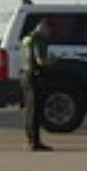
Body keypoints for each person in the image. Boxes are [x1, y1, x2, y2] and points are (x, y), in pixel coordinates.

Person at [21, 19, 54, 152]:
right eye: (49, 31)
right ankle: (35, 142)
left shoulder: (27, 38)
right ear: (44, 28)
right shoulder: (39, 39)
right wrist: (52, 61)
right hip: (35, 76)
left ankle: (30, 139)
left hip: (25, 75)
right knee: (36, 110)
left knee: (30, 110)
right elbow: (40, 60)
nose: (49, 34)